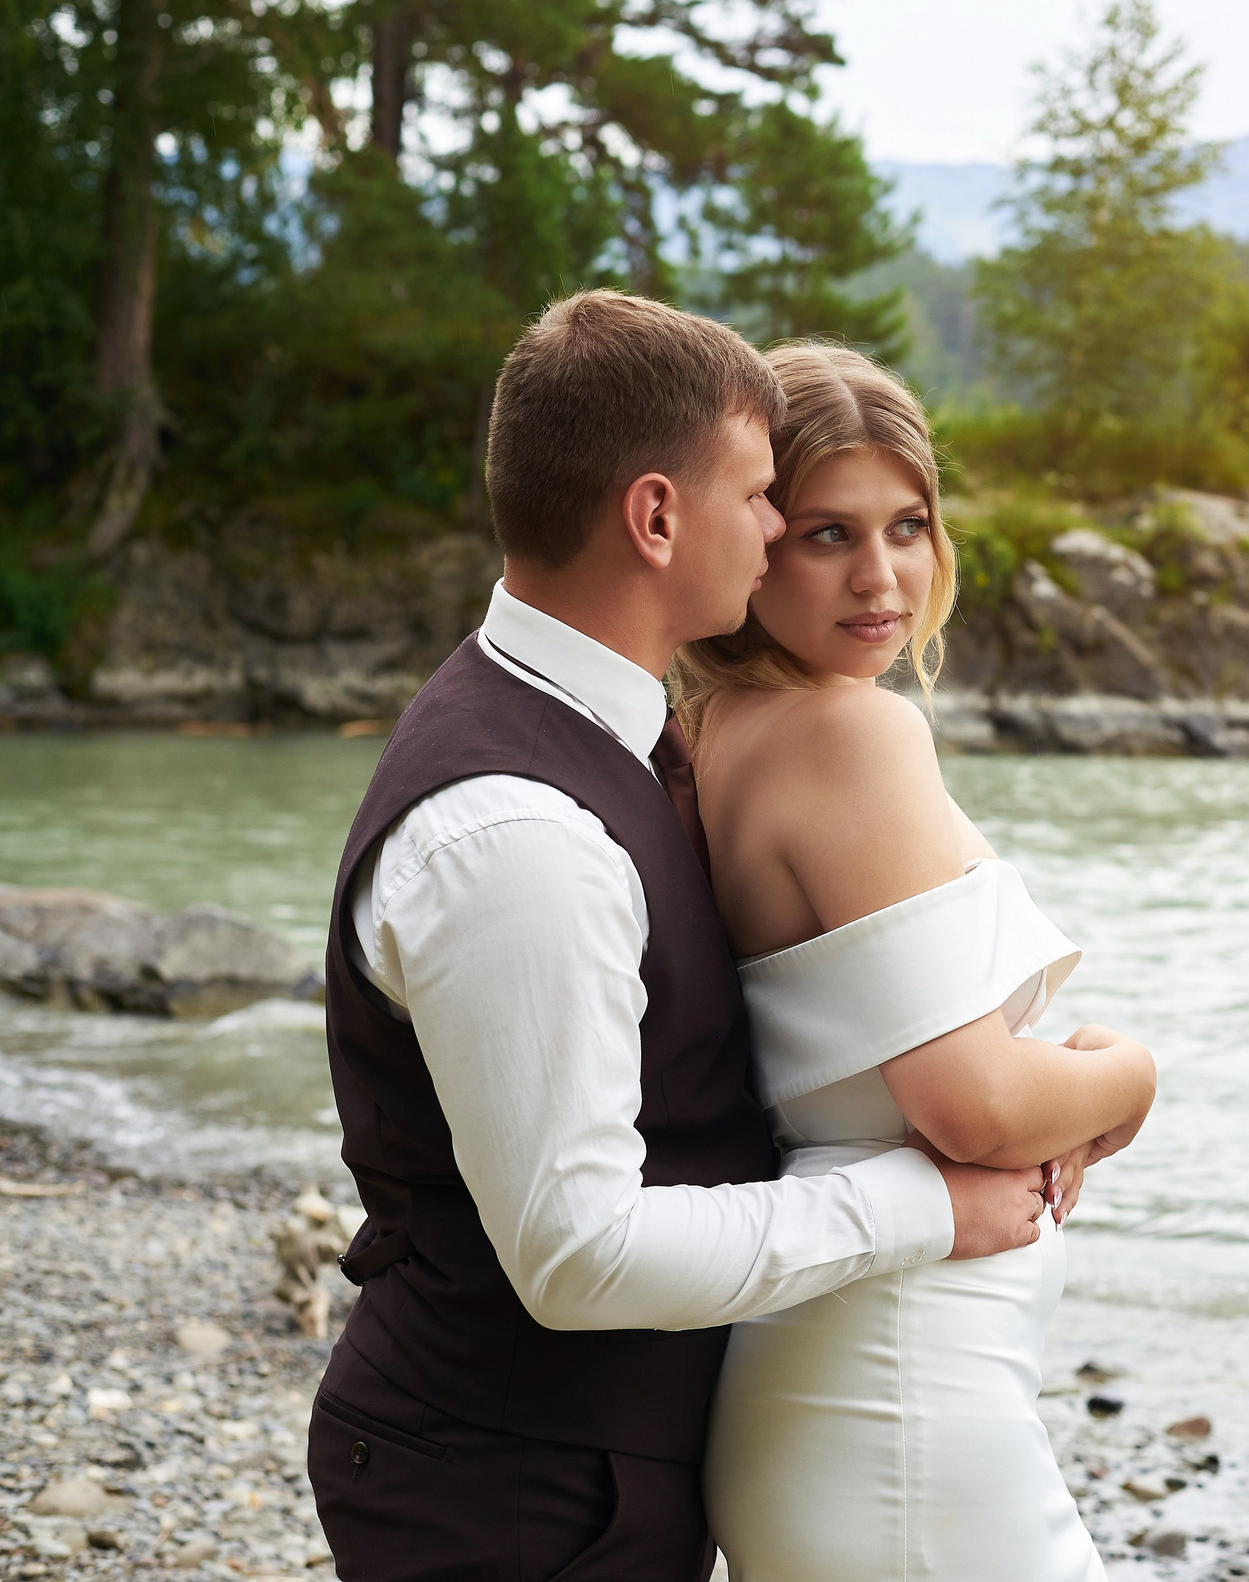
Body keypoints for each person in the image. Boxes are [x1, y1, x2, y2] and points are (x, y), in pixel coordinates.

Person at [309, 291, 1050, 1580]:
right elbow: (580, 1255)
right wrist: (925, 1200)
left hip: (590, 1463)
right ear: (656, 516)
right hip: (506, 1485)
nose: (774, 528)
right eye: (763, 495)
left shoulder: (624, 736)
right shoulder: (515, 832)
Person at [678, 343, 1155, 1580]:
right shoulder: (851, 731)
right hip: (902, 1392)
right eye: (828, 532)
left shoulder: (715, 727)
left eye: (908, 524)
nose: (882, 576)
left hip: (856, 1377)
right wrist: (1124, 1074)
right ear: (755, 534)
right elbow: (971, 1102)